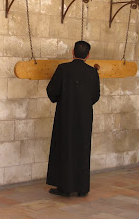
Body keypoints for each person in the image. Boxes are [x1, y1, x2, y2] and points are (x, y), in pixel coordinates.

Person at [46, 40, 100, 197]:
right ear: (88, 55)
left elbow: (52, 91)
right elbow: (95, 96)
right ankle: (82, 188)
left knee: (65, 149)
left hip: (65, 116)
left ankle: (65, 188)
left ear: (72, 52)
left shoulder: (63, 69)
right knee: (82, 149)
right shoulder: (92, 72)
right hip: (84, 117)